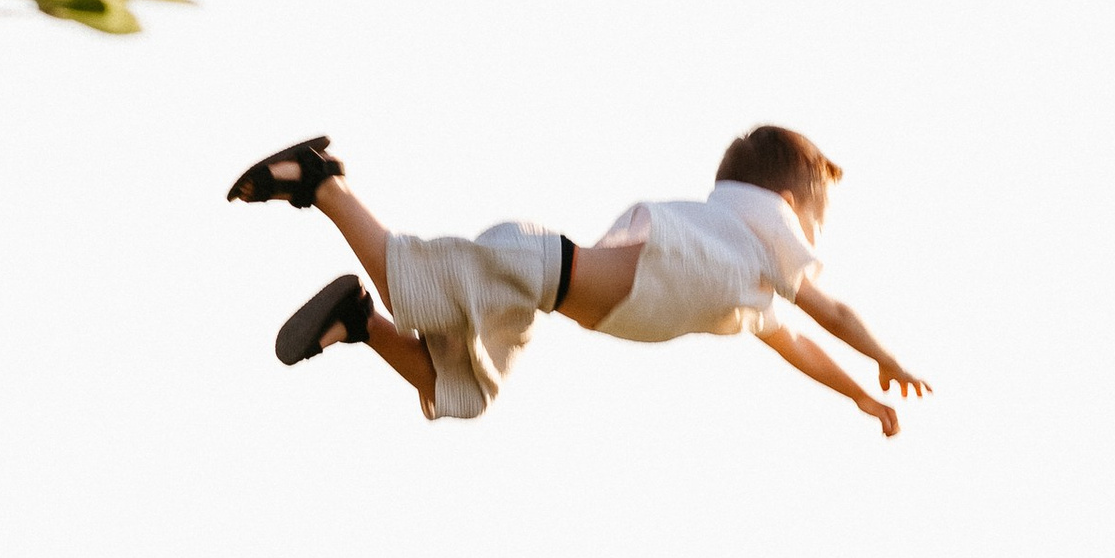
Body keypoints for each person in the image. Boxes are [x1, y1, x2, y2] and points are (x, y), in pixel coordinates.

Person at [227, 122, 928, 434]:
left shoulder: (746, 280)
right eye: (817, 217)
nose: (812, 238)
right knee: (411, 282)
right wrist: (885, 356)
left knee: (461, 391)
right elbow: (828, 313)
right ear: (787, 199)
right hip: (539, 265)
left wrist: (860, 397)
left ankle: (356, 322)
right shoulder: (762, 220)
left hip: (539, 291)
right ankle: (322, 182)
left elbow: (801, 346)